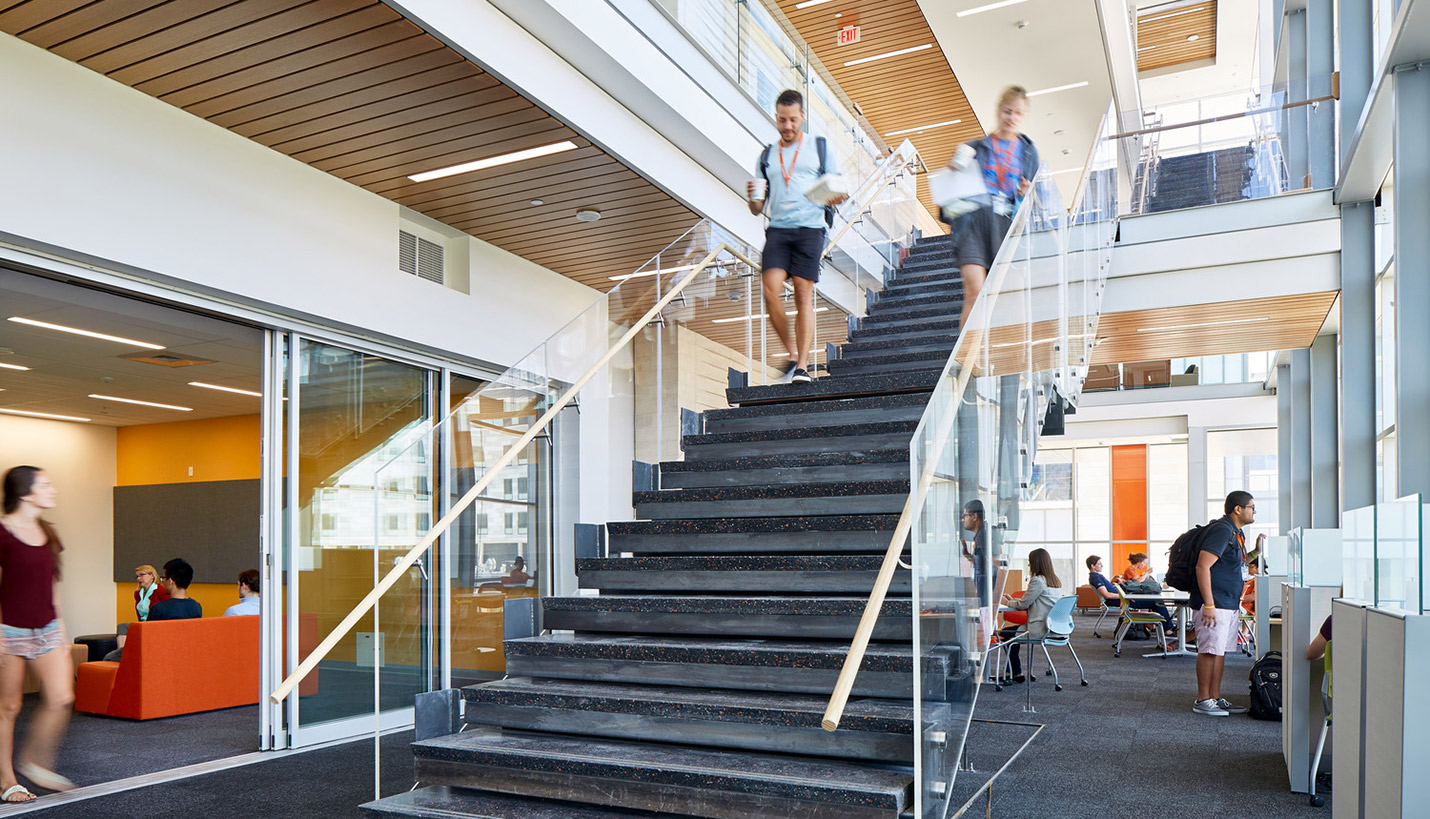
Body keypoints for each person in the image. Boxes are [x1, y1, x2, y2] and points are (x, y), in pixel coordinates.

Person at [746, 88, 847, 384]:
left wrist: (834, 196)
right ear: (776, 118)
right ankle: (791, 352)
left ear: (802, 116)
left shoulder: (820, 147)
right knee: (770, 289)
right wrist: (752, 197)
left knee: (803, 291)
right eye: (781, 120)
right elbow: (756, 208)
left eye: (792, 119)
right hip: (778, 228)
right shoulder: (766, 156)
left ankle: (802, 366)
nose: (787, 126)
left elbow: (838, 188)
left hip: (810, 227)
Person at [0, 467, 75, 802]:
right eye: (45, 485)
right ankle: (7, 781)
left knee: (61, 697)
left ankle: (33, 760)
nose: (52, 490)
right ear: (26, 493)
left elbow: (52, 587)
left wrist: (61, 632)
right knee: (10, 707)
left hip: (46, 629)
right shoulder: (2, 533)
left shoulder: (49, 532)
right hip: (8, 632)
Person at [944, 85, 1041, 336]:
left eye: (1018, 113)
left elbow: (1036, 199)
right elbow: (953, 187)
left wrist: (1025, 192)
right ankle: (967, 362)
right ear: (999, 110)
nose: (1012, 118)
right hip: (973, 224)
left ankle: (1014, 364)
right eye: (1008, 111)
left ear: (1024, 116)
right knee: (975, 292)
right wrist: (953, 172)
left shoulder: (1029, 152)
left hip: (1007, 224)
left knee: (1014, 302)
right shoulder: (975, 147)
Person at [1191, 491, 1265, 716]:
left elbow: (1236, 564)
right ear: (1238, 509)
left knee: (1220, 651)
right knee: (1209, 650)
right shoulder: (1222, 530)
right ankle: (1203, 699)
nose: (1255, 512)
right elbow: (1202, 566)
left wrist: (1256, 552)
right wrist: (1210, 604)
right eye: (1252, 507)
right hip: (1216, 602)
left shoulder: (1235, 532)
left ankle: (1214, 697)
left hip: (1228, 602)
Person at [104, 558, 202, 663]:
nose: (162, 581)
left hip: (157, 654)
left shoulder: (159, 608)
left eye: (164, 578)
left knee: (109, 657)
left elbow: (147, 639)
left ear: (170, 581)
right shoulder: (196, 606)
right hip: (184, 654)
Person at [996, 548, 1062, 684]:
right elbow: (1028, 601)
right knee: (1011, 634)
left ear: (1036, 563)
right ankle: (1012, 672)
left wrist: (1006, 602)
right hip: (1055, 626)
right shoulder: (1055, 581)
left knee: (1005, 633)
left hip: (1040, 628)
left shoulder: (1038, 581)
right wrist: (1012, 600)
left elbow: (1023, 604)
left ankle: (1015, 672)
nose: (1029, 565)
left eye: (1030, 562)